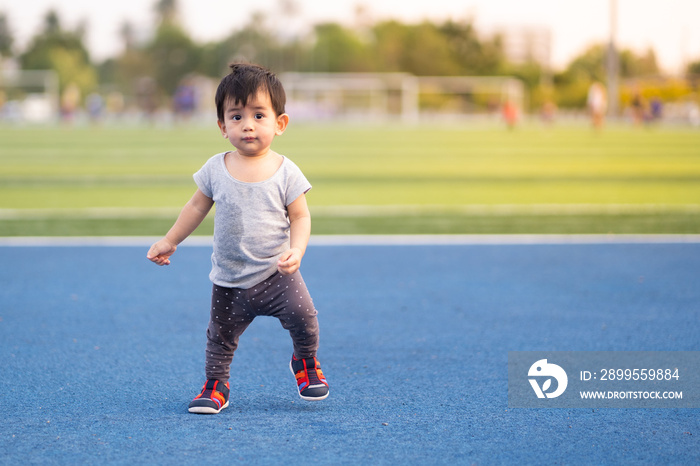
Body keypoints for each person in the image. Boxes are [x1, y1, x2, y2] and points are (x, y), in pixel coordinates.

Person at [147, 63, 329, 414]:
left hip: (278, 275)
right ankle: (216, 385)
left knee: (305, 317)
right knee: (220, 338)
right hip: (230, 279)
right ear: (222, 126)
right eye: (236, 116)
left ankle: (305, 363)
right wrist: (171, 240)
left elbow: (301, 215)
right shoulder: (216, 168)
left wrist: (297, 249)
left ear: (280, 124)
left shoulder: (286, 170)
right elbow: (195, 207)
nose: (248, 124)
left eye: (259, 115)